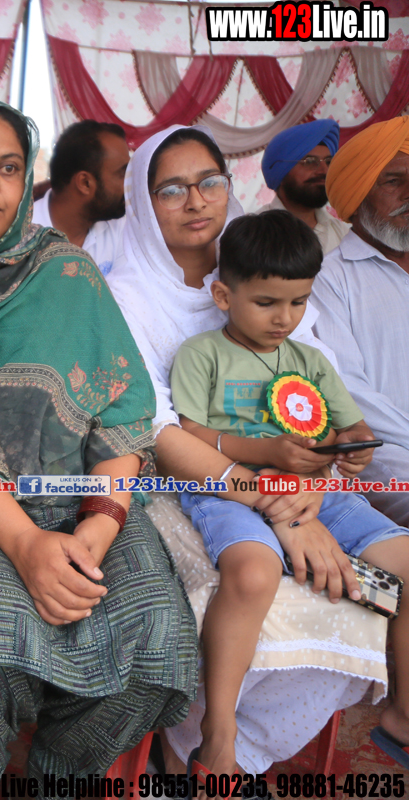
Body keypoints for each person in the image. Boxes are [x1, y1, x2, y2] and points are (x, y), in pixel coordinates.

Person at [0, 98, 198, 797]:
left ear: (27, 182)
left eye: (9, 168)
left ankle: (56, 780)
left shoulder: (67, 274)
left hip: (84, 501)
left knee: (157, 643)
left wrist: (97, 529)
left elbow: (123, 414)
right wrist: (25, 544)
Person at [107, 125, 390, 776]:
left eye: (209, 182)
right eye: (171, 189)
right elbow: (158, 432)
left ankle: (234, 754)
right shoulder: (124, 295)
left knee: (364, 595)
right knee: (256, 583)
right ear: (142, 201)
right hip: (181, 485)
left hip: (292, 485)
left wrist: (309, 485)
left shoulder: (267, 268)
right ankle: (206, 743)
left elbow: (312, 399)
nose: (196, 201)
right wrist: (274, 500)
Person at [169, 209, 409, 776]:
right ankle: (218, 733)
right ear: (223, 295)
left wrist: (352, 447)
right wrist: (268, 451)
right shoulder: (202, 354)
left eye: (299, 302)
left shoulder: (311, 360)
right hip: (231, 492)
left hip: (316, 491)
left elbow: (350, 426)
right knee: (252, 572)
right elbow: (189, 433)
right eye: (267, 302)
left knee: (407, 559)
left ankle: (402, 713)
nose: (285, 318)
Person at [313, 116, 409, 533]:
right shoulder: (327, 279)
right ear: (356, 197)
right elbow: (348, 390)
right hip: (385, 453)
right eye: (393, 181)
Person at [32, 119, 129, 273]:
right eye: (122, 174)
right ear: (85, 183)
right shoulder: (18, 238)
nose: (130, 183)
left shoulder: (121, 228)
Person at [259, 119, 349, 253]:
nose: (324, 171)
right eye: (310, 161)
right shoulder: (254, 234)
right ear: (281, 171)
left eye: (329, 162)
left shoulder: (342, 233)